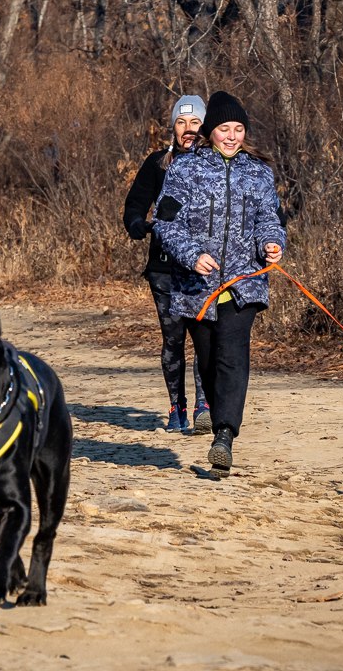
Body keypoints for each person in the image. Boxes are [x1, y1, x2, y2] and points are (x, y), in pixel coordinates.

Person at [153, 91, 285, 475]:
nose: (232, 136)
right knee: (209, 361)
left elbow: (269, 220)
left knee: (233, 355)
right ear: (211, 132)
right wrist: (192, 255)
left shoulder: (259, 172)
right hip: (197, 286)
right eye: (225, 129)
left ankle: (224, 436)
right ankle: (216, 418)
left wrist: (272, 244)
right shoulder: (184, 171)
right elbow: (164, 222)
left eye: (239, 129)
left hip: (245, 283)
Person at [123, 94, 211, 434]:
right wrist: (135, 224)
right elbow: (134, 204)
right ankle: (178, 408)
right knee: (173, 339)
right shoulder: (158, 163)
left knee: (205, 338)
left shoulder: (215, 166)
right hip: (163, 268)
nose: (188, 130)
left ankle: (205, 406)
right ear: (172, 127)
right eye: (181, 123)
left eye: (195, 123)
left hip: (205, 268)